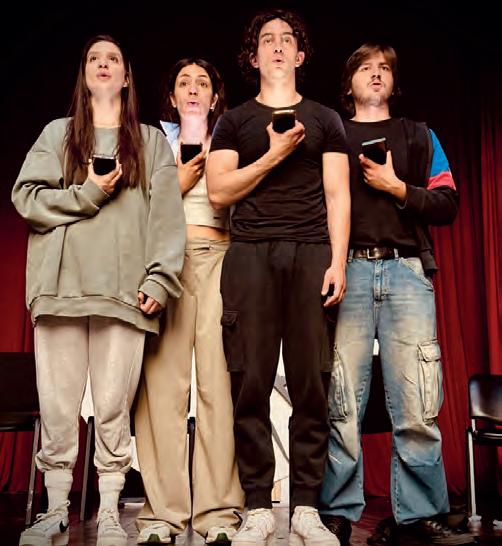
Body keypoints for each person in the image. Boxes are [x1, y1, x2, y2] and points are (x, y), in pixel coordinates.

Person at [11, 34, 185, 546]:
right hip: (60, 290)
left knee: (113, 408)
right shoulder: (57, 134)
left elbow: (167, 218)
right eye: (94, 58)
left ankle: (109, 512)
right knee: (57, 407)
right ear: (84, 74)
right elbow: (26, 198)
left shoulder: (150, 141)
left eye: (113, 59)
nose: (103, 65)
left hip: (123, 295)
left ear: (127, 76)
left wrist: (160, 278)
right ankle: (54, 512)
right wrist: (87, 193)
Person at [319, 43, 474, 546]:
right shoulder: (332, 136)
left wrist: (397, 187)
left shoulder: (419, 135)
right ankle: (336, 515)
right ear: (349, 84)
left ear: (394, 81)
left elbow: (448, 203)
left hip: (406, 272)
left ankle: (419, 518)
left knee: (417, 403)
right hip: (348, 273)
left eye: (384, 67)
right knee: (342, 402)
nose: (376, 73)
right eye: (365, 67)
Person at [206, 8, 350, 546]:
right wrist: (273, 154)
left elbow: (338, 194)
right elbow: (219, 191)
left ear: (300, 54)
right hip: (249, 255)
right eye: (266, 40)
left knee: (312, 382)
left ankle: (306, 507)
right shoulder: (233, 121)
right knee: (249, 381)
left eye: (287, 39)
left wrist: (338, 262)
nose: (277, 46)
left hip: (312, 252)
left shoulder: (326, 119)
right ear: (253, 56)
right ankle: (257, 506)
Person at [134, 58, 244, 545]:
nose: (194, 89)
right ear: (172, 97)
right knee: (162, 390)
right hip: (168, 264)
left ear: (215, 97)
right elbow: (130, 211)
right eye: (184, 82)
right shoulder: (151, 141)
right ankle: (161, 515)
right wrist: (175, 181)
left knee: (219, 386)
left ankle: (219, 514)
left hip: (221, 258)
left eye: (203, 83)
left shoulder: (232, 137)